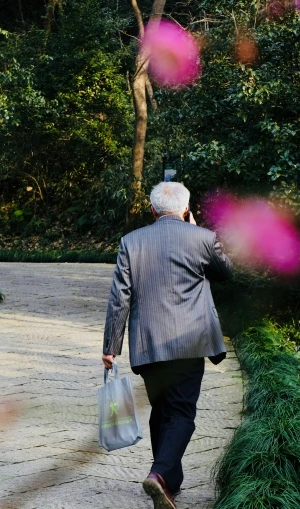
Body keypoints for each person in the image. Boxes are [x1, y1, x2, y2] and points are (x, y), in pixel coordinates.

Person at [101, 182, 233, 509]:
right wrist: (197, 230)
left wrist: (110, 346)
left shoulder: (131, 242)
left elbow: (120, 298)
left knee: (162, 410)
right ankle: (160, 474)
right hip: (190, 342)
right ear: (187, 210)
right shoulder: (202, 238)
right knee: (182, 412)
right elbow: (226, 272)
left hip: (148, 345)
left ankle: (170, 481)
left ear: (152, 210)